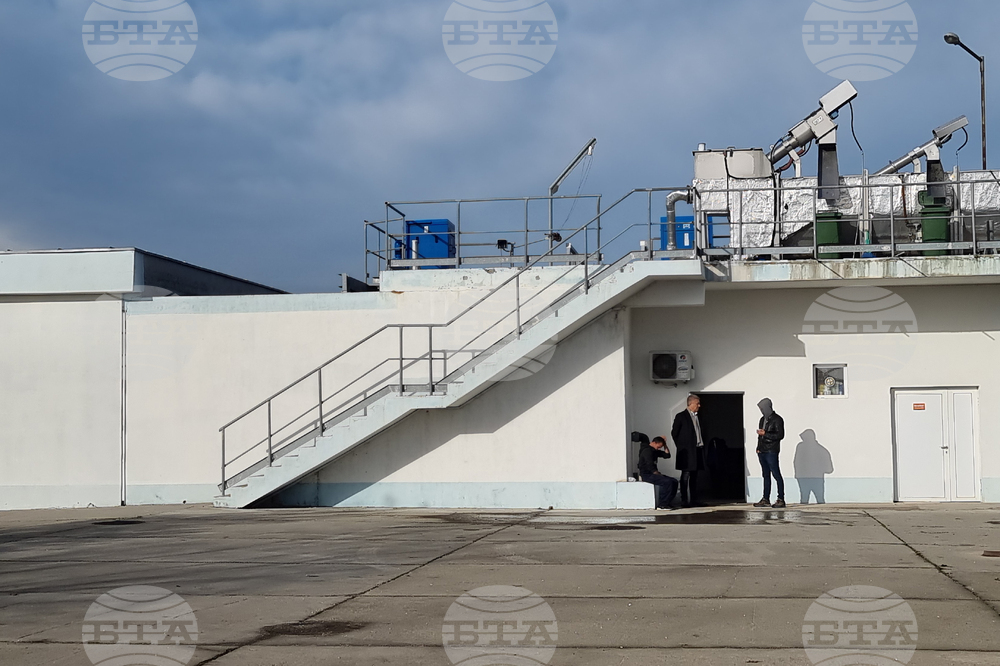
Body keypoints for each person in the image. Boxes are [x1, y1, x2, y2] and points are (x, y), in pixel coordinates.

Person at [671, 395, 706, 508]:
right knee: (685, 475)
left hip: (697, 449)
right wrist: (682, 447)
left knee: (695, 476)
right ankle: (684, 500)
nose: (699, 406)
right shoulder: (681, 416)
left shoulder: (698, 417)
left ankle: (694, 499)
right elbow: (674, 433)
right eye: (697, 403)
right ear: (691, 403)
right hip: (686, 452)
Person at [754, 398, 786, 509]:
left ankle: (781, 498)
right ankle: (765, 499)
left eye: (762, 408)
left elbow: (780, 435)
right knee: (765, 475)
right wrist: (758, 448)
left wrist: (765, 433)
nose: (761, 411)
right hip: (762, 451)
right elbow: (760, 436)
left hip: (771, 451)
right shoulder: (762, 419)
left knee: (776, 474)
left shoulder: (777, 419)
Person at [636, 435, 678, 510]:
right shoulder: (647, 451)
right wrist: (656, 473)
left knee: (674, 481)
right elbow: (649, 464)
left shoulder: (654, 451)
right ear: (654, 443)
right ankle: (662, 504)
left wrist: (665, 445)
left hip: (653, 473)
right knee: (667, 482)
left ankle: (668, 502)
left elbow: (667, 455)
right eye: (658, 447)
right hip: (647, 474)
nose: (658, 449)